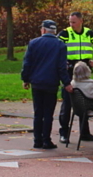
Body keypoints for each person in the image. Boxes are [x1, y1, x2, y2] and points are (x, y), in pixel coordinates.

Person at [21, 20, 73, 149]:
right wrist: (66, 82)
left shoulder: (33, 43)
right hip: (51, 83)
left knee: (38, 112)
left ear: (43, 30)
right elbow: (61, 67)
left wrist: (25, 79)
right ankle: (46, 140)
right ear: (54, 31)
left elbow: (27, 63)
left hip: (37, 82)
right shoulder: (60, 45)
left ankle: (37, 140)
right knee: (48, 113)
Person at [58, 12, 93, 143]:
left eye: (74, 22)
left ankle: (85, 133)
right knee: (67, 102)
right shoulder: (65, 34)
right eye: (70, 22)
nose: (71, 25)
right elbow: (56, 47)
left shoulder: (88, 33)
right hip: (69, 70)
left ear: (81, 21)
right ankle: (64, 133)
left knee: (84, 102)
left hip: (83, 71)